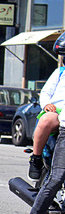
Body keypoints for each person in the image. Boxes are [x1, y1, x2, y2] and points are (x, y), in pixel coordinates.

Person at [27, 32, 65, 181]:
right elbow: (45, 92)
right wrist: (47, 104)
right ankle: (36, 159)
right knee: (47, 120)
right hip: (57, 111)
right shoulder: (60, 73)